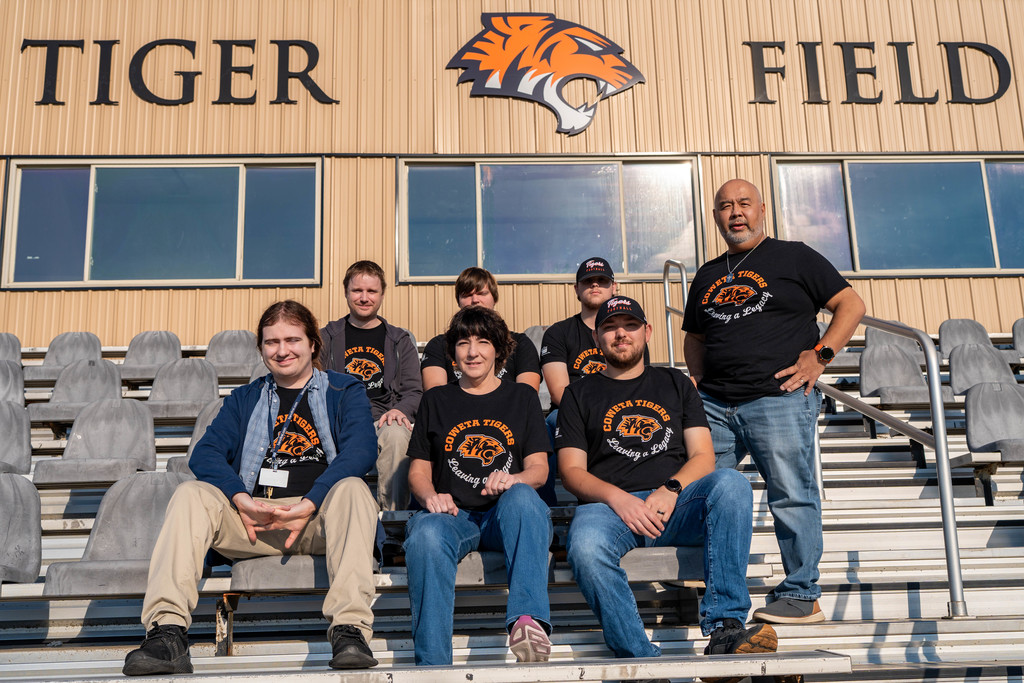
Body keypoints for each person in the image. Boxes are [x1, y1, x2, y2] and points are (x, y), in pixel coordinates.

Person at [123, 301, 380, 676]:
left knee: (355, 489)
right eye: (271, 342)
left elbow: (361, 450)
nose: (282, 350)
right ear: (261, 348)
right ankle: (168, 634)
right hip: (253, 522)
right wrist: (242, 500)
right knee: (191, 494)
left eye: (292, 339)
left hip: (319, 520)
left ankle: (350, 631)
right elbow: (206, 454)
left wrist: (309, 504)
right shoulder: (246, 397)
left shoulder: (343, 390)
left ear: (313, 344)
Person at [556, 296, 777, 666]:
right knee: (586, 546)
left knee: (732, 485)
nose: (620, 334)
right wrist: (618, 499)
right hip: (609, 510)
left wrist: (671, 489)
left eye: (629, 325)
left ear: (648, 331)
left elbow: (704, 455)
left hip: (675, 505)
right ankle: (642, 659)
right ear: (597, 338)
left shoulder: (675, 383)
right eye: (610, 327)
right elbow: (572, 471)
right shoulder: (579, 393)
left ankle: (725, 627)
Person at [683, 178, 866, 624]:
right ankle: (714, 583)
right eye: (725, 206)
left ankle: (801, 595)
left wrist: (821, 356)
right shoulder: (707, 273)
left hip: (777, 398)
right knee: (703, 493)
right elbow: (695, 334)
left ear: (762, 209)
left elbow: (851, 304)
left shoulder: (794, 255)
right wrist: (697, 380)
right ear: (715, 217)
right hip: (715, 405)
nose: (735, 212)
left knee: (790, 496)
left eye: (744, 203)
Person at [404, 306, 553, 666]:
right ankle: (433, 665)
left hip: (506, 516)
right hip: (455, 516)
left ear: (499, 351)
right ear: (452, 352)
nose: (472, 352)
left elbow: (539, 470)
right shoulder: (437, 400)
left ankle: (527, 623)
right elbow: (418, 472)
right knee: (425, 534)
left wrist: (514, 479)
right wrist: (429, 496)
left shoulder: (522, 397)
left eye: (483, 342)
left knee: (523, 497)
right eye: (463, 343)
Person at [539, 256, 646, 504]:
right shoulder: (559, 333)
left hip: (623, 408)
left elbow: (638, 383)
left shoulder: (630, 334)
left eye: (602, 280)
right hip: (570, 413)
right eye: (588, 281)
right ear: (576, 289)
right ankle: (545, 512)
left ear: (614, 287)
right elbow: (559, 394)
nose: (595, 285)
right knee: (545, 427)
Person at [321, 260, 422, 510]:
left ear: (382, 294)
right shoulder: (326, 337)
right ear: (346, 292)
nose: (364, 298)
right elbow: (313, 384)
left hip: (383, 419)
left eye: (371, 291)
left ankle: (393, 523)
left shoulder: (400, 341)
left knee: (398, 434)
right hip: (340, 419)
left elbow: (414, 390)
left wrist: (400, 411)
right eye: (357, 291)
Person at [421, 266, 541, 391]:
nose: (475, 300)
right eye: (467, 295)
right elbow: (435, 396)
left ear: (495, 298)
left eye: (482, 293)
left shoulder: (520, 343)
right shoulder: (439, 345)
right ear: (458, 301)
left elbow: (527, 395)